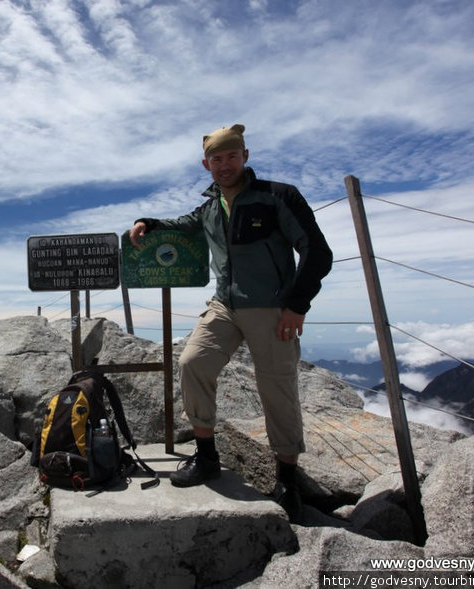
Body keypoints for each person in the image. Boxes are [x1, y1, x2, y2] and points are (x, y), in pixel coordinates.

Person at [129, 123, 332, 522]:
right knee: (193, 363)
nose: (224, 165)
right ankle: (206, 456)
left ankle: (287, 478)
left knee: (276, 388)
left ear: (245, 156)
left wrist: (297, 304)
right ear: (206, 164)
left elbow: (317, 252)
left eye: (231, 156)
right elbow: (182, 224)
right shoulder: (209, 207)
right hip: (224, 306)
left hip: (272, 309)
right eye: (216, 159)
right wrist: (147, 223)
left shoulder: (277, 197)